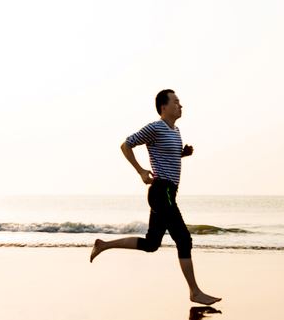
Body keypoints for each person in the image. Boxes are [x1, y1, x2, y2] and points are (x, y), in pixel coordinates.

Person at [90, 89, 222, 305]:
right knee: (184, 239)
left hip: (167, 192)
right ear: (164, 107)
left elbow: (165, 155)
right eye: (177, 102)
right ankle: (195, 292)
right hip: (162, 191)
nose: (181, 105)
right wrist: (141, 171)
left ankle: (103, 245)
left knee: (152, 243)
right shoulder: (156, 127)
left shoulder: (175, 130)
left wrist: (182, 154)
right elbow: (126, 144)